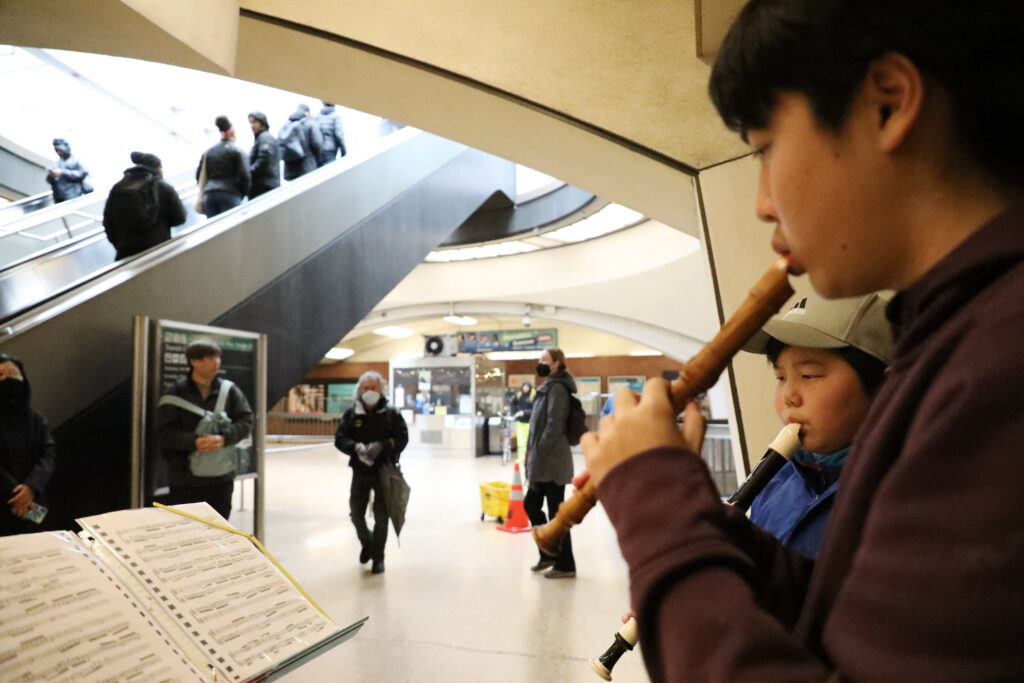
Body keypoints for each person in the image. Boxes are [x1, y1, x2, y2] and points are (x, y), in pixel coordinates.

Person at [583, 1, 1024, 679]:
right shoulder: (958, 335)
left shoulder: (999, 365)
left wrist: (657, 507)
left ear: (888, 103)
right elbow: (851, 619)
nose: (763, 202)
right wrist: (701, 521)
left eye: (764, 149)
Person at [744, 292, 892, 558]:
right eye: (780, 377)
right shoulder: (775, 481)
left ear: (885, 387)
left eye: (809, 375)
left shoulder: (908, 492)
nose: (789, 396)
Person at [157, 340, 253, 520]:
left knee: (220, 526)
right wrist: (194, 442)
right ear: (194, 361)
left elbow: (246, 421)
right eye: (210, 357)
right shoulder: (175, 393)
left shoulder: (230, 391)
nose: (216, 362)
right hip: (184, 480)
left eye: (218, 357)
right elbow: (164, 434)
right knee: (186, 528)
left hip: (221, 479)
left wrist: (224, 438)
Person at [334, 371, 408, 575]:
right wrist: (355, 447)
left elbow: (402, 438)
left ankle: (378, 558)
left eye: (373, 387)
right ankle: (367, 543)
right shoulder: (352, 414)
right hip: (360, 471)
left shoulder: (391, 414)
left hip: (384, 471)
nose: (369, 391)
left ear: (381, 389)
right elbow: (340, 438)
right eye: (365, 388)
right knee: (356, 514)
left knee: (381, 517)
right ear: (360, 390)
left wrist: (383, 445)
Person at [524, 348, 577, 579]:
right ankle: (548, 552)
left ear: (556, 363)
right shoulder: (547, 387)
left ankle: (565, 564)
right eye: (539, 359)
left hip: (552, 461)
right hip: (541, 460)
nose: (540, 363)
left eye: (544, 359)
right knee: (531, 504)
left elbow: (554, 425)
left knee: (557, 514)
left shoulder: (557, 388)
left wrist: (540, 449)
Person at [0, 354, 56, 536]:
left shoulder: (36, 419)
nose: (8, 380)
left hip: (33, 502)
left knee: (41, 543)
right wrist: (16, 495)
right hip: (8, 502)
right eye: (1, 375)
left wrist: (31, 487)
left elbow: (48, 454)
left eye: (14, 375)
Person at [103, 151, 186, 260]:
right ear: (157, 168)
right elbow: (180, 218)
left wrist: (121, 244)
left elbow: (108, 223)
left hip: (127, 255)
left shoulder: (117, 188)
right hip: (161, 250)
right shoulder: (163, 186)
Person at [196, 115, 250, 217]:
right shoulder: (237, 151)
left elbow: (198, 176)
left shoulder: (209, 152)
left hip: (209, 195)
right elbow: (245, 175)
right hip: (230, 194)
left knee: (216, 225)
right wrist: (244, 193)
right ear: (232, 133)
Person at [279, 103, 322, 181]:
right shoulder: (311, 123)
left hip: (289, 170)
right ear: (307, 113)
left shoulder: (286, 125)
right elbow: (318, 143)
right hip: (306, 167)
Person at [247, 111, 281, 199]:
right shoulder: (262, 138)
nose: (252, 125)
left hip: (264, 185)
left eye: (254, 122)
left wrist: (250, 171)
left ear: (262, 123)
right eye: (250, 123)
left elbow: (264, 158)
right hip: (266, 184)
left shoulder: (265, 137)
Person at [46, 137, 89, 203]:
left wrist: (63, 172)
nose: (59, 152)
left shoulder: (76, 160)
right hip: (60, 197)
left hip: (74, 194)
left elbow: (83, 172)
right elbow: (51, 181)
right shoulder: (56, 164)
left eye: (60, 150)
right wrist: (51, 176)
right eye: (57, 150)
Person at [315, 102, 347, 167]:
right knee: (330, 170)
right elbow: (339, 135)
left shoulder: (317, 117)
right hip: (330, 150)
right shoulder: (336, 117)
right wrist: (344, 153)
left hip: (319, 150)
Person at [508, 382, 533, 465]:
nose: (525, 388)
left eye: (527, 387)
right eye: (524, 386)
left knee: (529, 441)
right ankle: (521, 457)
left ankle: (528, 457)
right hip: (520, 422)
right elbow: (513, 405)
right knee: (520, 441)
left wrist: (525, 412)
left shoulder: (533, 396)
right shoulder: (519, 396)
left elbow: (535, 409)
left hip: (529, 422)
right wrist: (515, 414)